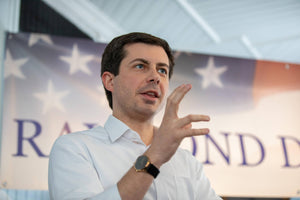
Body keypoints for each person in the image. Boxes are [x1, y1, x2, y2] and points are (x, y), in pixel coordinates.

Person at [48, 32, 222, 200]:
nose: (155, 77)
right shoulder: (75, 148)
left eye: (162, 70)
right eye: (140, 66)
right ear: (110, 81)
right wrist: (155, 155)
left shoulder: (186, 161)